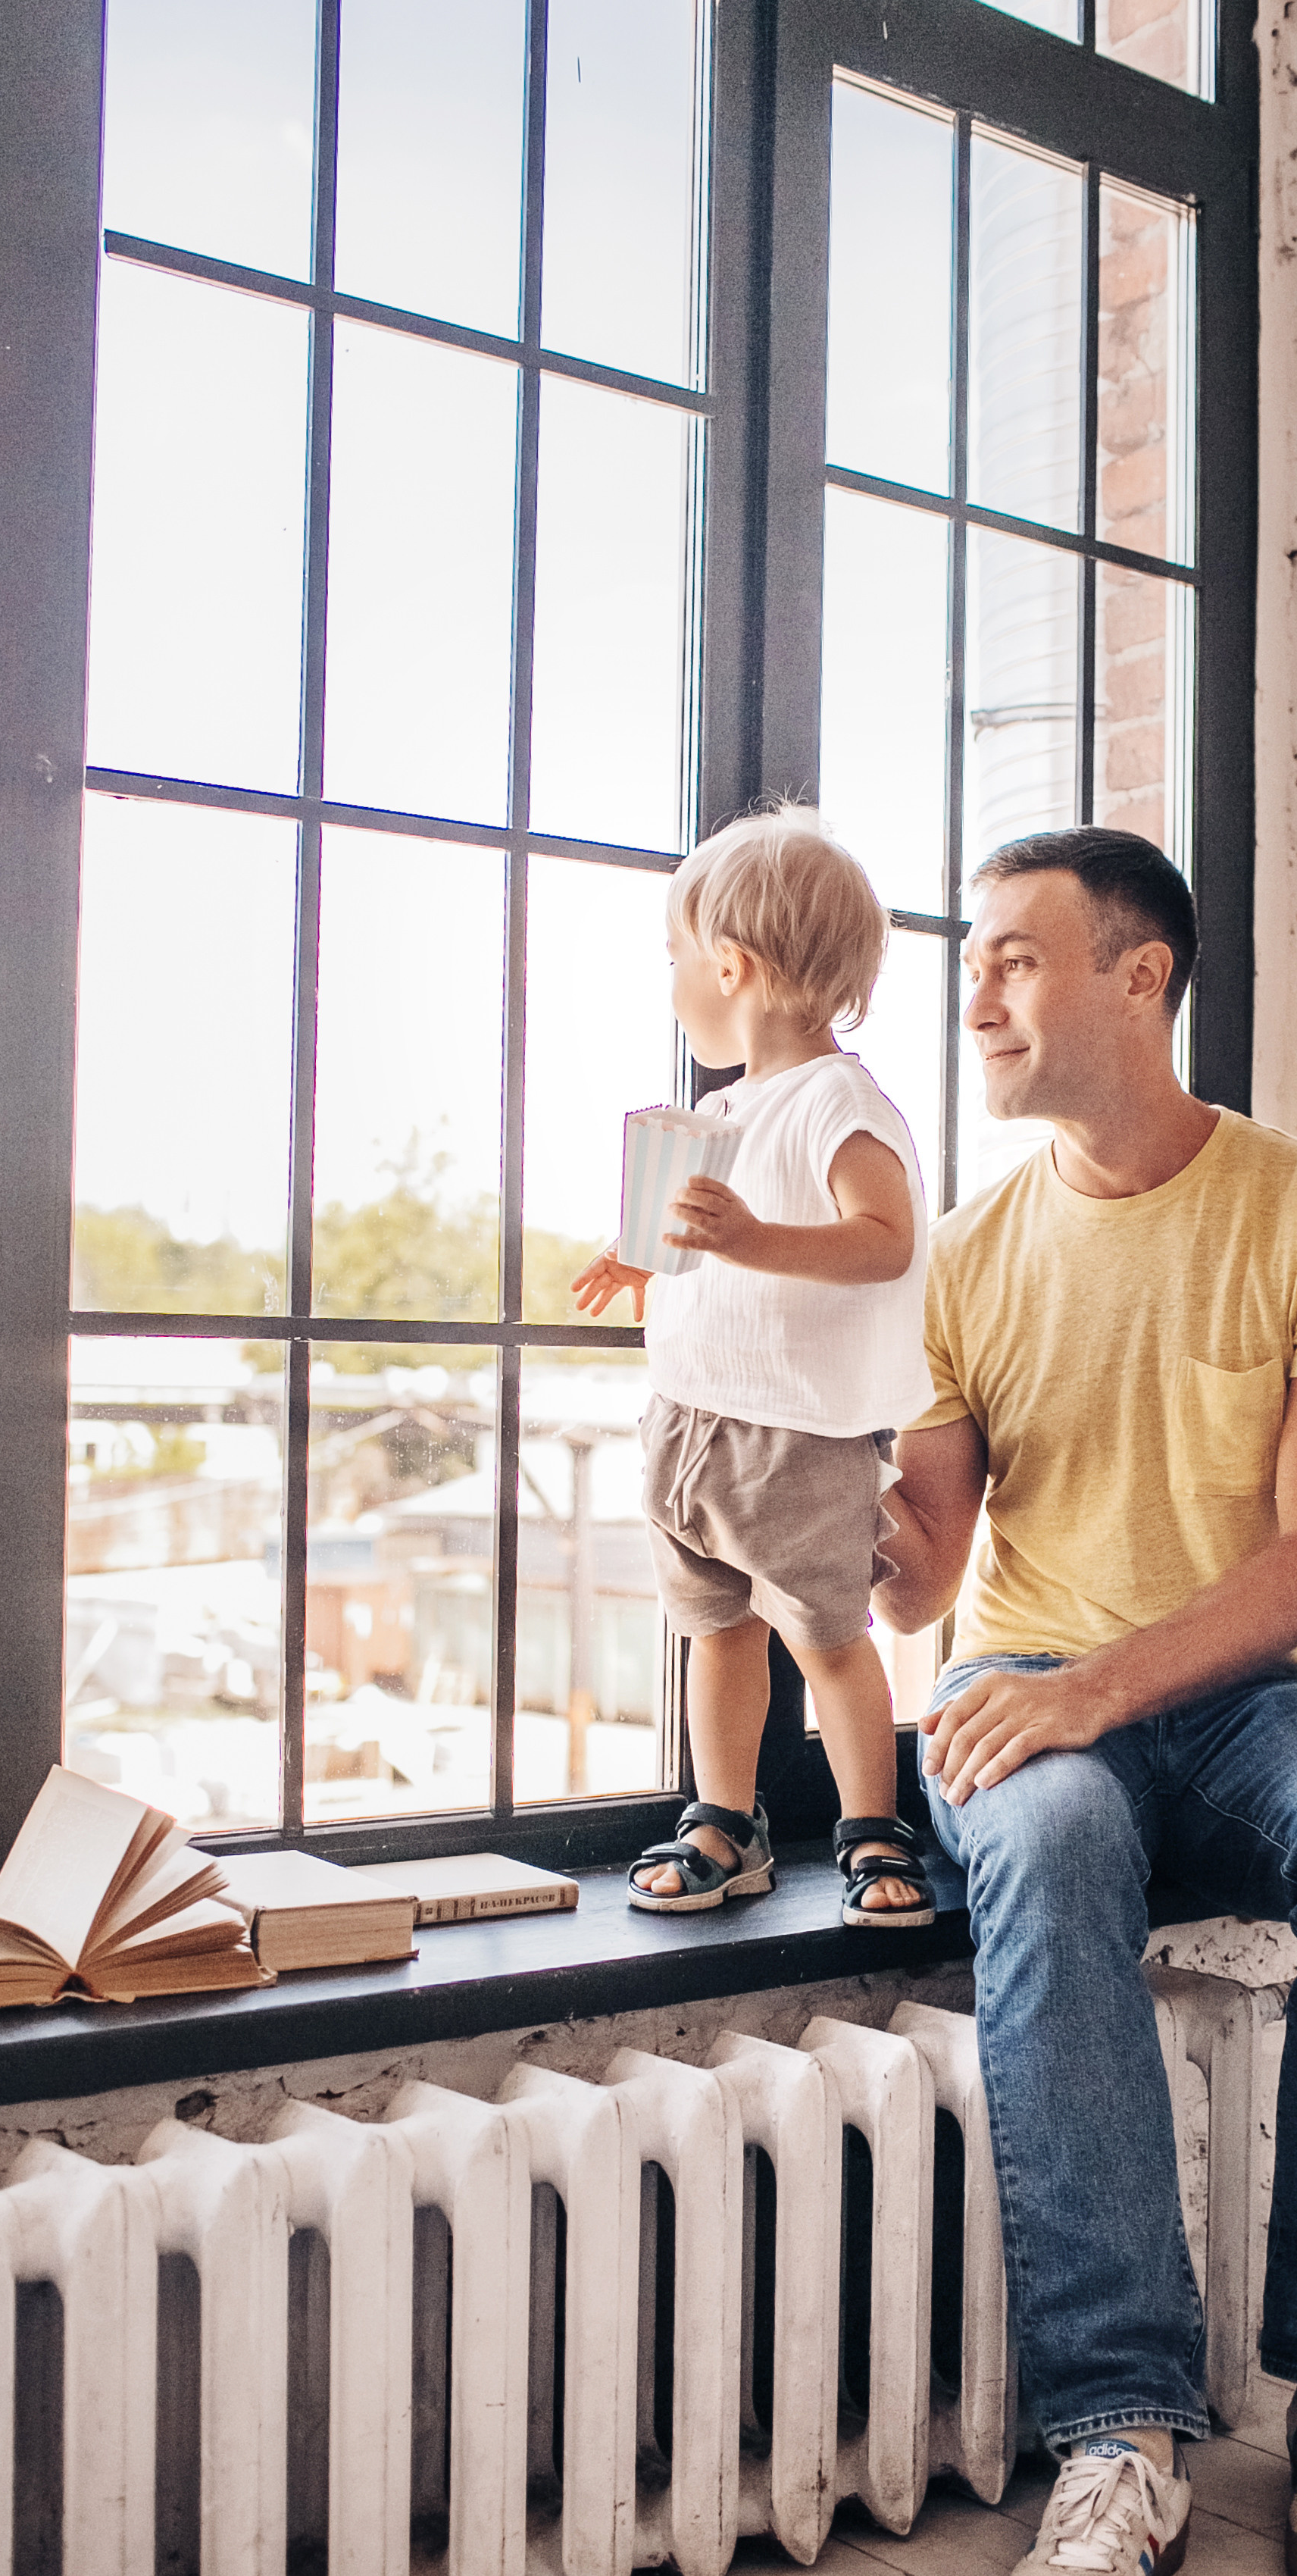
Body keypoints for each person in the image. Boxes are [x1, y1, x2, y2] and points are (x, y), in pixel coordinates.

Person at [874, 826, 1297, 2576]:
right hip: (1033, 1692)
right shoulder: (963, 1255)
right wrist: (777, 1470)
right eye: (972, 960)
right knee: (1042, 1850)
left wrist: (1101, 1684)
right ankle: (1121, 2434)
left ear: (1142, 976)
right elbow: (921, 1581)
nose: (974, 991)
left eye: (1014, 957)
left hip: (1237, 1688)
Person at [573, 808, 936, 1926]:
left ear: (728, 964)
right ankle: (722, 1820)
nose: (674, 982)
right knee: (712, 1630)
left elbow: (885, 1239)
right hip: (690, 1423)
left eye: (675, 959)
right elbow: (709, 1244)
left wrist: (744, 1241)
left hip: (794, 1434)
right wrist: (648, 1263)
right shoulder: (721, 1112)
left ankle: (873, 1831)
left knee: (828, 1640)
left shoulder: (838, 1102)